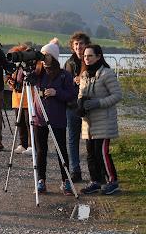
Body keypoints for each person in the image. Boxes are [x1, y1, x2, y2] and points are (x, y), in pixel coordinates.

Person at [33, 38, 75, 195]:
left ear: (54, 57)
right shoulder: (37, 73)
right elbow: (19, 80)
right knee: (40, 151)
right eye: (42, 55)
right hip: (39, 118)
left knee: (61, 150)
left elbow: (71, 95)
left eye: (46, 55)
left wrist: (57, 93)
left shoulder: (64, 75)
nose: (43, 58)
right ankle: (41, 180)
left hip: (57, 118)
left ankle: (66, 181)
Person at [78, 44, 122, 195]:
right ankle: (95, 181)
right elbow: (80, 95)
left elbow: (117, 95)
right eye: (85, 56)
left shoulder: (107, 74)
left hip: (104, 120)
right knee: (90, 154)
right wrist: (80, 105)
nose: (87, 59)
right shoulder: (84, 75)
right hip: (88, 122)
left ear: (98, 56)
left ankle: (113, 181)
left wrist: (98, 103)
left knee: (102, 153)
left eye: (90, 56)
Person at [64, 32, 91, 182]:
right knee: (72, 139)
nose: (79, 47)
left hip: (88, 106)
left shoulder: (92, 60)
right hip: (72, 106)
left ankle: (96, 172)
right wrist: (72, 82)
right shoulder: (69, 62)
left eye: (81, 44)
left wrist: (84, 80)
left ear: (86, 44)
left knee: (91, 140)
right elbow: (64, 85)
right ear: (72, 46)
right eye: (76, 44)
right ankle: (75, 171)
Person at [6, 44, 32, 155]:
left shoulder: (29, 65)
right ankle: (22, 144)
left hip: (28, 97)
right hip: (17, 97)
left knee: (29, 122)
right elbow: (8, 76)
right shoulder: (14, 66)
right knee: (19, 122)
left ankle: (31, 145)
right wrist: (9, 81)